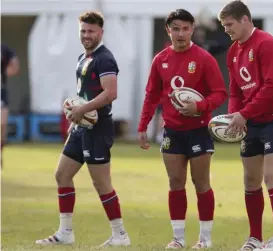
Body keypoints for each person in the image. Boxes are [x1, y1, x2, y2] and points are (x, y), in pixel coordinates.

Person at [35, 11, 130, 246]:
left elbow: (111, 93)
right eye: (83, 31)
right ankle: (65, 232)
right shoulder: (82, 57)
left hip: (99, 128)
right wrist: (74, 114)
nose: (86, 35)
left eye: (91, 31)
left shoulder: (104, 59)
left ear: (101, 33)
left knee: (101, 183)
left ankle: (120, 235)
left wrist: (83, 108)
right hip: (81, 127)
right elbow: (85, 93)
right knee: (62, 175)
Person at [137, 9, 227, 249]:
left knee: (201, 183)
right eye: (176, 28)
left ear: (192, 29)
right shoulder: (161, 60)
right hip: (172, 131)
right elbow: (151, 94)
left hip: (198, 130)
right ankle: (177, 238)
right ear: (169, 30)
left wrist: (199, 106)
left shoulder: (204, 58)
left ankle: (205, 239)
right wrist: (143, 124)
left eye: (186, 28)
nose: (181, 33)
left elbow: (220, 93)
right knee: (175, 182)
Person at [218, 1, 273, 250]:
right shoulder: (232, 52)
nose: (226, 30)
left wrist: (244, 114)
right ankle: (254, 238)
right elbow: (235, 92)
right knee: (250, 180)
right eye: (223, 26)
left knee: (271, 176)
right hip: (251, 121)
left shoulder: (267, 44)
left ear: (245, 20)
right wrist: (234, 117)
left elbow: (272, 87)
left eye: (229, 24)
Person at [1, 44, 20, 167]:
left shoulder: (4, 48)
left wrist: (10, 71)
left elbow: (15, 63)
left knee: (2, 125)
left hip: (1, 92)